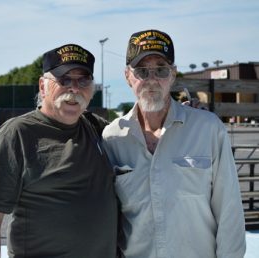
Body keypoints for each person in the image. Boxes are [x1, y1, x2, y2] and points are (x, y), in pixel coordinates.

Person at [102, 29, 246, 258]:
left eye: (160, 69)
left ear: (173, 74)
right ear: (128, 76)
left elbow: (230, 213)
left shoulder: (208, 129)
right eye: (141, 71)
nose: (151, 80)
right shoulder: (112, 138)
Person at [0, 44, 118, 258]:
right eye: (64, 80)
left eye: (83, 80)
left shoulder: (97, 128)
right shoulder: (18, 134)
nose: (74, 88)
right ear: (43, 86)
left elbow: (143, 134)